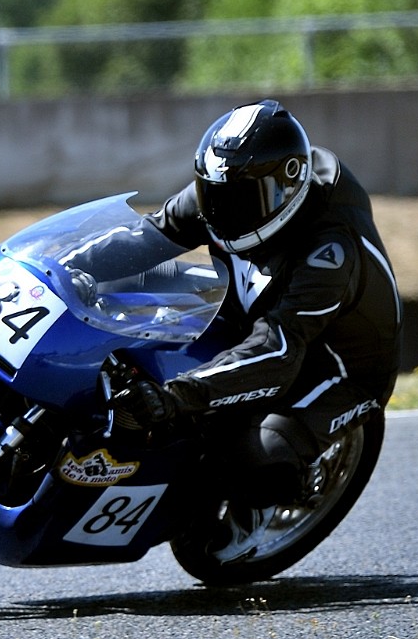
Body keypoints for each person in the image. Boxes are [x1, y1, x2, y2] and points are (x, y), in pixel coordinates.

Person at [114, 99, 402, 561]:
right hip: (256, 313)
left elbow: (278, 349)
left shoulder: (329, 252)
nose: (222, 212)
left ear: (288, 191)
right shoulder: (228, 186)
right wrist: (66, 271)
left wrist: (176, 394)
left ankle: (269, 501)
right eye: (214, 195)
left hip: (334, 367)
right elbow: (148, 236)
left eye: (243, 201)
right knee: (129, 301)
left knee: (251, 453)